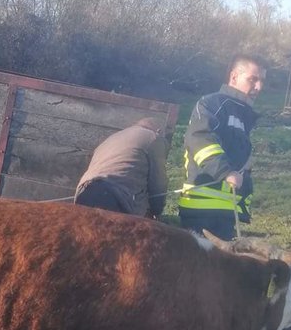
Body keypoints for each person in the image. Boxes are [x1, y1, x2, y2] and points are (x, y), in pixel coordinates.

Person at [178, 54, 266, 240]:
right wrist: (226, 172)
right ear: (234, 77)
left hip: (225, 208)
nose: (259, 87)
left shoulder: (243, 113)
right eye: (253, 79)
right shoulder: (212, 104)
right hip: (202, 207)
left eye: (261, 81)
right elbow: (199, 139)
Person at [74, 118, 168, 218]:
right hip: (117, 196)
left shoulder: (114, 137)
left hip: (84, 191)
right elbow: (158, 181)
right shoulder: (154, 138)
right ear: (158, 131)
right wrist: (156, 210)